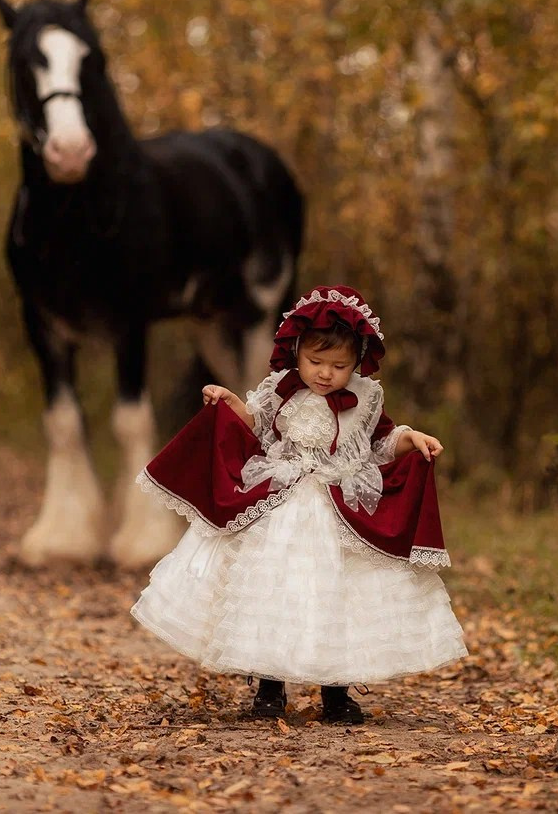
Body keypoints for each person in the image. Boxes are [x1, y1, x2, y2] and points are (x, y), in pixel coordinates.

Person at [130, 285, 468, 724]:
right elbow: (254, 424)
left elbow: (382, 440)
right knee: (273, 588)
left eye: (339, 366)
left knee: (339, 594)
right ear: (296, 352)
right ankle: (270, 688)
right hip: (282, 500)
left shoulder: (367, 399)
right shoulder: (280, 390)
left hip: (341, 506)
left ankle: (337, 690)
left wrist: (412, 439)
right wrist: (229, 402)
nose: (326, 374)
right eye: (316, 362)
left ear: (358, 360)